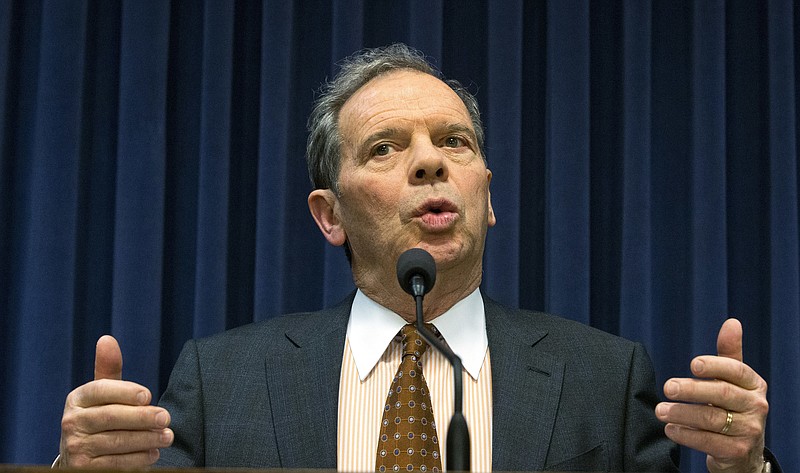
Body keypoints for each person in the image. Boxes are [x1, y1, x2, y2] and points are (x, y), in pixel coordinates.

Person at [57, 44, 777, 472]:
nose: (431, 161)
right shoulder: (223, 381)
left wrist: (745, 469)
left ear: (486, 197)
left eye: (454, 142)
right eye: (385, 147)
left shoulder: (605, 379)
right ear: (329, 214)